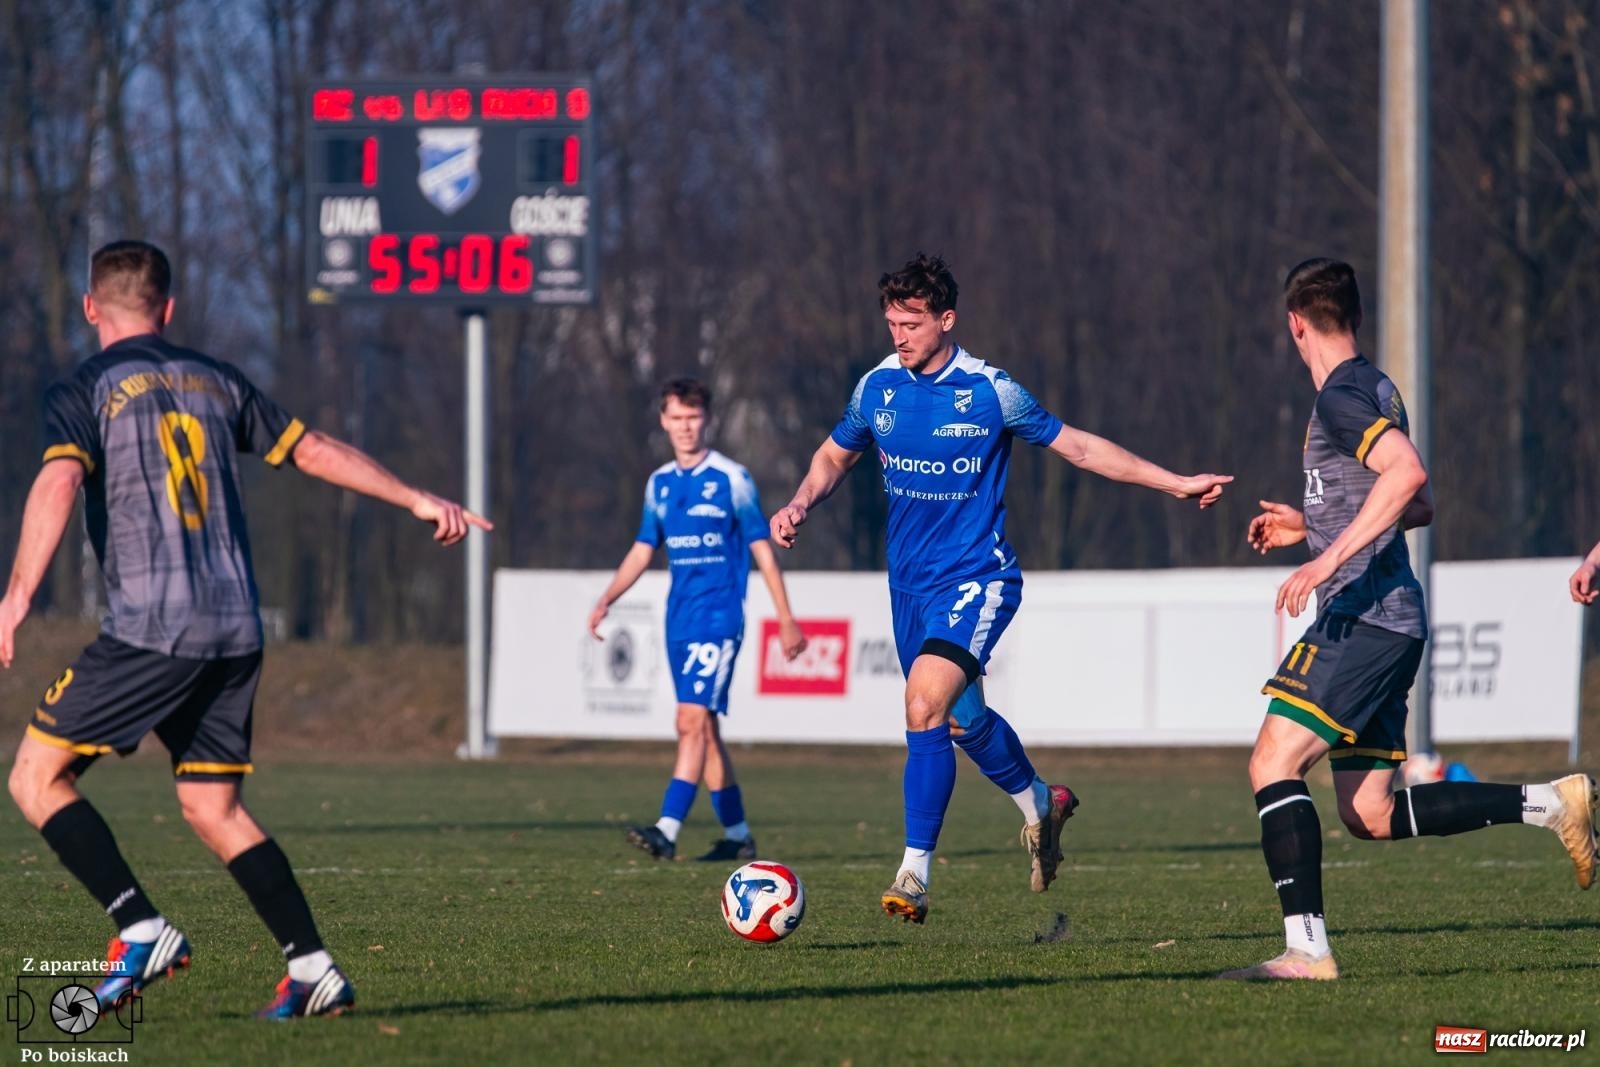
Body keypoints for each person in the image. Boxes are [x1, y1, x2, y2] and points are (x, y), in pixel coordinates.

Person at [1, 240, 491, 1018]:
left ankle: (140, 924)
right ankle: (314, 968)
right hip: (235, 628)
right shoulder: (219, 379)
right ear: (169, 308)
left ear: (92, 307)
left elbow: (59, 477)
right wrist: (415, 498)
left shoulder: (85, 388)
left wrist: (19, 589)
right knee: (212, 808)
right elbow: (314, 450)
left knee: (33, 776)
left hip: (153, 628)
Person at [770, 253, 1232, 923]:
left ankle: (914, 874)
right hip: (909, 587)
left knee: (923, 703)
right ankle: (1041, 804)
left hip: (977, 579)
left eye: (912, 322)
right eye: (892, 322)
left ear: (946, 320)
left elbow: (1079, 448)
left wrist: (1176, 482)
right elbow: (835, 454)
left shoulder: (990, 391)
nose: (899, 335)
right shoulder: (876, 387)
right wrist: (800, 502)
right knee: (961, 720)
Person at [1222, 258, 1597, 981]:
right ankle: (1549, 801)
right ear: (1353, 317)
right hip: (1391, 617)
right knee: (1368, 811)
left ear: (1296, 325)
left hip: (1365, 616)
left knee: (1272, 761)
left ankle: (1307, 950)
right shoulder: (1377, 386)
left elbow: (1410, 477)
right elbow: (1411, 504)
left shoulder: (1339, 397)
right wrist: (1312, 525)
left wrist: (1324, 563)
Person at [589, 378, 807, 863]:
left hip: (718, 617)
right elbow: (643, 549)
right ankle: (738, 835)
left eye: (694, 418)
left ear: (706, 420)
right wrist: (607, 598)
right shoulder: (659, 483)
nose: (686, 427)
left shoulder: (732, 478)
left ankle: (667, 829)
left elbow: (763, 554)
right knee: (703, 729)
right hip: (678, 621)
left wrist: (786, 618)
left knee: (688, 721)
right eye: (677, 418)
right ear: (664, 421)